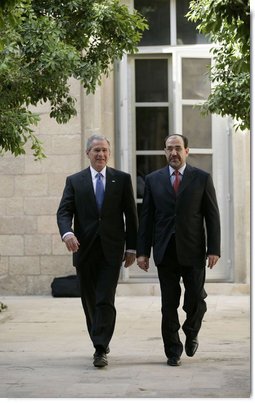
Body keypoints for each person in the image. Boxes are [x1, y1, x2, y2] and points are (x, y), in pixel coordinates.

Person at [136, 134, 220, 367]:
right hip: (165, 251)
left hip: (193, 251)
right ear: (165, 152)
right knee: (168, 304)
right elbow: (147, 218)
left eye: (178, 148)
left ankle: (191, 331)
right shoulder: (153, 180)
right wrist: (142, 252)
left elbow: (212, 216)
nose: (174, 153)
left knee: (195, 300)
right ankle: (172, 350)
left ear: (186, 151)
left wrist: (214, 249)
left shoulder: (201, 178)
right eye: (169, 149)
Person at [57, 134, 138, 368]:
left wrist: (131, 247)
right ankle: (99, 335)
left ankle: (100, 347)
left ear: (109, 153)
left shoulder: (121, 180)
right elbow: (64, 212)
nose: (101, 154)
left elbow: (131, 217)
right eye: (96, 151)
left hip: (112, 251)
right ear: (88, 154)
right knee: (89, 300)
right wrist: (67, 233)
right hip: (84, 250)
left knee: (105, 299)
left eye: (104, 150)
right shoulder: (75, 181)